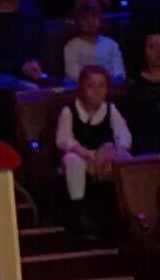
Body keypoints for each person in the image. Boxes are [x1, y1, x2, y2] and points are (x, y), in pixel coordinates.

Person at [52, 65, 131, 235]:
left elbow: (123, 136)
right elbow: (63, 139)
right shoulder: (70, 110)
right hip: (80, 155)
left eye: (101, 86)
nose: (96, 91)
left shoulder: (110, 109)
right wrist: (84, 152)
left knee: (125, 159)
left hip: (103, 156)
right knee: (73, 162)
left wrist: (115, 151)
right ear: (82, 87)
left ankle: (126, 211)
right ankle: (78, 212)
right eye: (91, 86)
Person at [59, 0, 123, 85]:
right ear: (78, 21)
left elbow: (119, 74)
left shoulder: (111, 44)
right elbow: (73, 76)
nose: (90, 22)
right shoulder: (71, 46)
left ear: (100, 19)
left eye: (94, 17)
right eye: (85, 19)